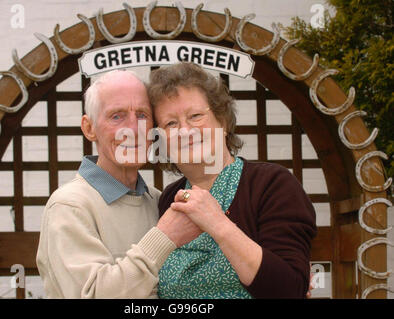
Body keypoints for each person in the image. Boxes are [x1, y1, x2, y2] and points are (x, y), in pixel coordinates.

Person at [147, 62, 317, 299]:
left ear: (223, 122)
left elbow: (289, 290)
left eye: (195, 116)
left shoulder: (272, 185)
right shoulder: (167, 199)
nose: (185, 131)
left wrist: (218, 224)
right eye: (171, 124)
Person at [36, 69, 202, 298]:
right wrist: (163, 238)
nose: (133, 129)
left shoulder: (156, 200)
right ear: (89, 128)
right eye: (117, 116)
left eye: (142, 115)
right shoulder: (69, 206)